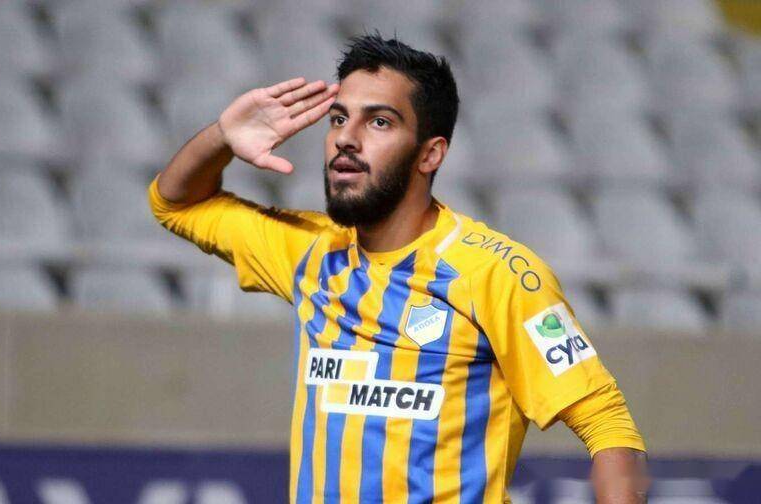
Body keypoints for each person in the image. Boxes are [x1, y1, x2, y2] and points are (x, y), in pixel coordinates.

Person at [149, 33, 647, 503]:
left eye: (379, 122)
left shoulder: (496, 273)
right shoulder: (310, 252)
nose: (346, 139)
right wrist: (221, 136)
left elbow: (607, 425)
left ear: (430, 154)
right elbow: (176, 204)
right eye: (338, 119)